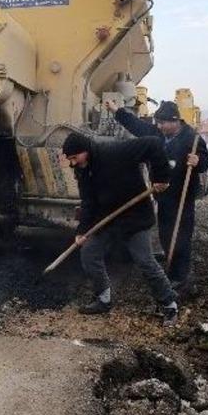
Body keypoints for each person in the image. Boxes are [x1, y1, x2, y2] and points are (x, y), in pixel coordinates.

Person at [62, 132, 180, 326]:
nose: (73, 163)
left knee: (144, 261)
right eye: (70, 160)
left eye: (74, 158)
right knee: (89, 253)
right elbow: (88, 202)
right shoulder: (82, 169)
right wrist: (82, 230)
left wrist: (161, 176)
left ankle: (169, 304)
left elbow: (152, 143)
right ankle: (104, 298)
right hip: (107, 219)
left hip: (134, 218)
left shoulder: (114, 152)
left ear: (85, 151)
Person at [105, 99, 208, 291]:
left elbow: (205, 162)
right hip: (162, 195)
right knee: (165, 232)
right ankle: (171, 265)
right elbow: (135, 125)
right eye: (158, 123)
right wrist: (116, 111)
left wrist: (198, 161)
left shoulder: (191, 138)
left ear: (175, 121)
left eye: (163, 123)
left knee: (181, 236)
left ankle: (180, 277)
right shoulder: (157, 134)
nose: (159, 126)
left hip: (182, 196)